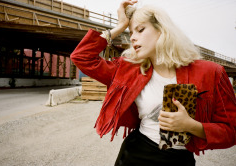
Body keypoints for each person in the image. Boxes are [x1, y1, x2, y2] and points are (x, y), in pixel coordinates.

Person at [70, 0, 236, 165]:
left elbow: (231, 131)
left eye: (140, 30)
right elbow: (81, 57)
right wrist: (120, 26)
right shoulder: (128, 70)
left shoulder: (210, 72)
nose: (133, 37)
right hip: (135, 154)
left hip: (180, 160)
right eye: (131, 32)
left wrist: (191, 126)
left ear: (161, 30)